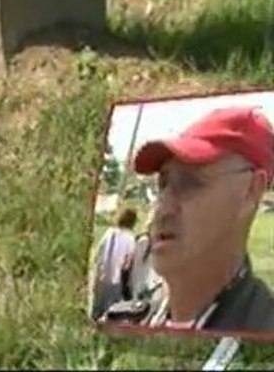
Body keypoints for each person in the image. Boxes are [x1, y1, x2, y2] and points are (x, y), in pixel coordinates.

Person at [101, 107, 274, 333]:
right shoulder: (119, 323)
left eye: (191, 182)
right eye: (162, 184)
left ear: (250, 191)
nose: (162, 207)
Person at [90, 207, 138, 320]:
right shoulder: (130, 238)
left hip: (101, 275)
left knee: (96, 308)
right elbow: (128, 263)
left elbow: (98, 253)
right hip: (116, 280)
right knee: (111, 311)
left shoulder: (109, 232)